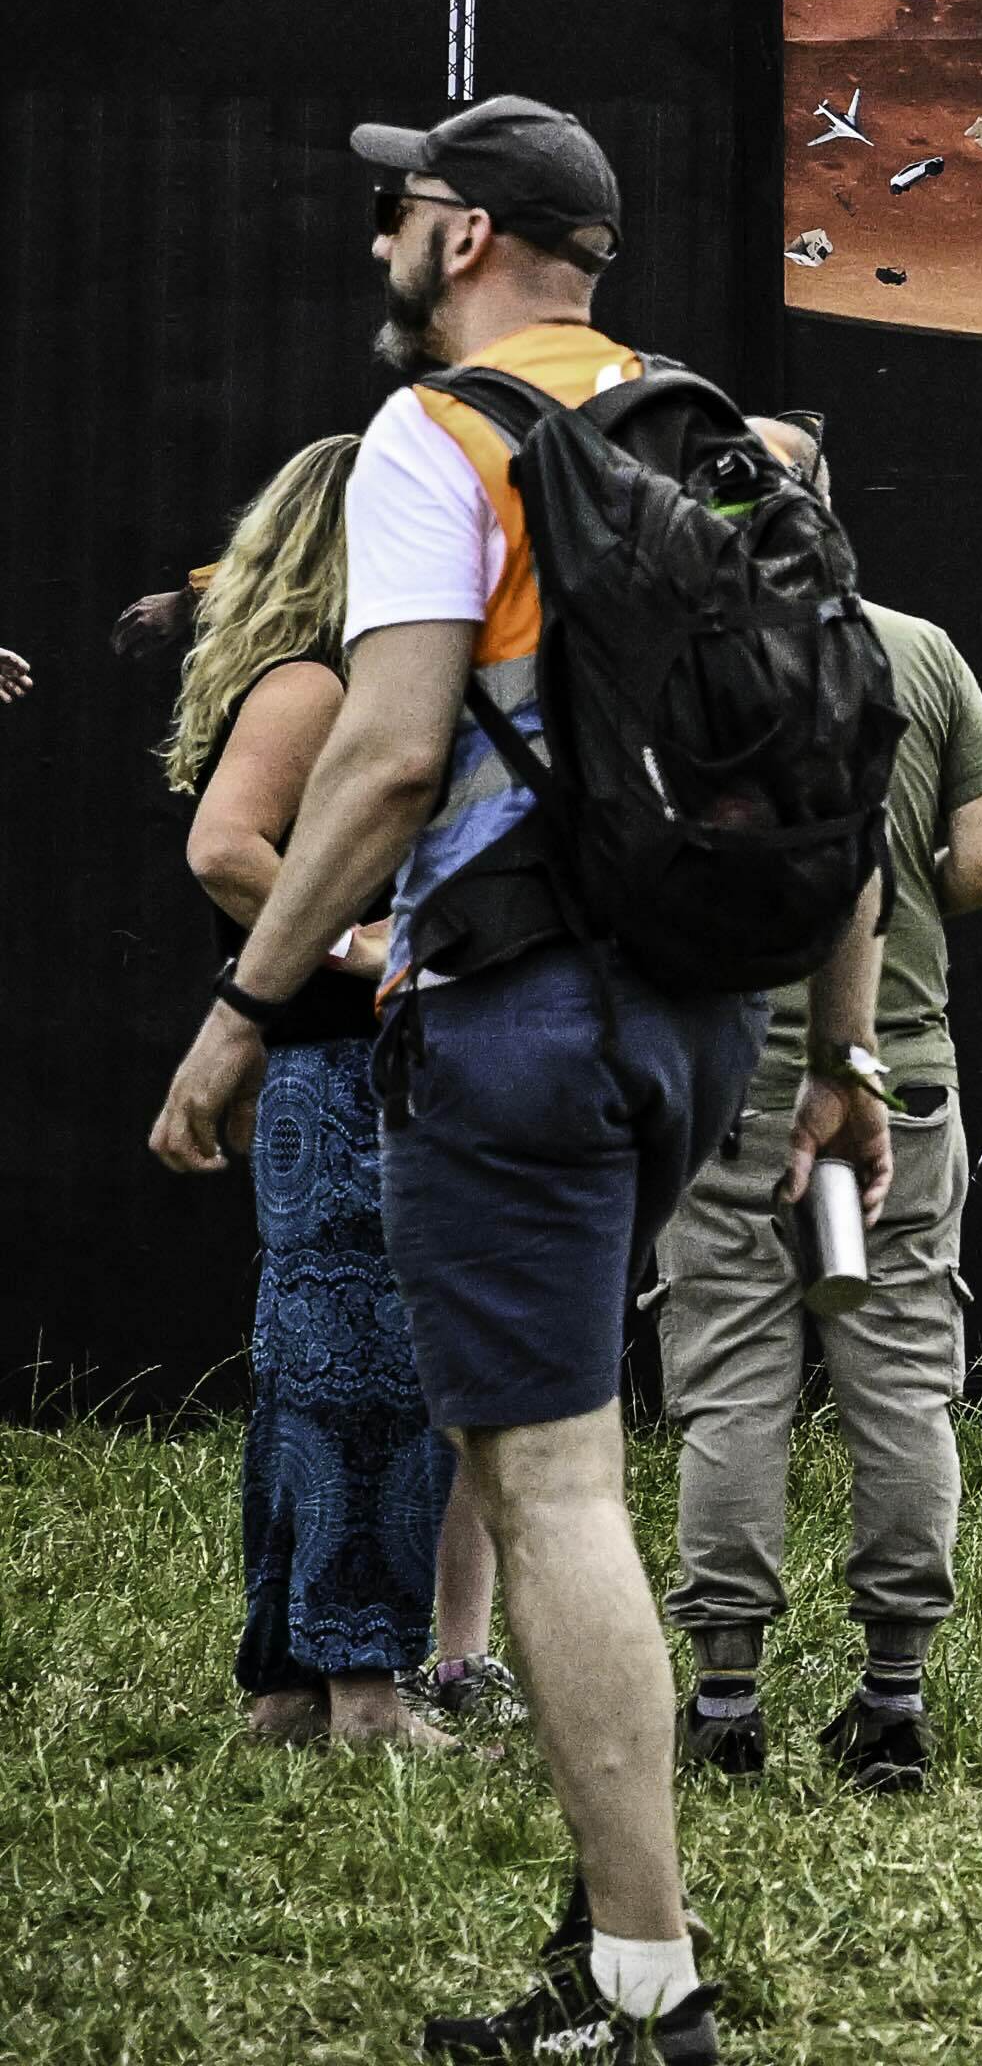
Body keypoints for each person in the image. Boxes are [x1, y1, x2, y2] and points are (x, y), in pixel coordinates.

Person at [144, 95, 894, 2066]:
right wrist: (848, 1053)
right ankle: (608, 1924)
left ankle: (649, 1995)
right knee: (563, 1473)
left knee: (550, 1489)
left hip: (516, 1007)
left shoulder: (436, 436)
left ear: (464, 233)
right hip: (692, 1017)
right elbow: (826, 751)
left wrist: (242, 1009)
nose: (386, 235)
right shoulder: (716, 429)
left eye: (402, 207)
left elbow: (385, 759)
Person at [654, 419, 982, 1790]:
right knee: (901, 1381)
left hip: (725, 1083)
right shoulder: (915, 654)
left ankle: (724, 1703)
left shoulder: (669, 660)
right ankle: (895, 1699)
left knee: (730, 1385)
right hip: (899, 1077)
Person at [165, 433, 486, 1752]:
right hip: (353, 1078)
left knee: (319, 1379)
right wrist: (377, 954)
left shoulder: (311, 678)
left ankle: (291, 1688)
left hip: (329, 1075)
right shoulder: (315, 685)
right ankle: (362, 1693)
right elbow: (225, 847)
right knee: (372, 1381)